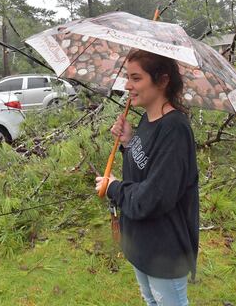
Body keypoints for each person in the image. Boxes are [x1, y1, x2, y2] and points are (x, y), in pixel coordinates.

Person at [95, 49, 199, 306]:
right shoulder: (147, 120)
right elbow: (143, 171)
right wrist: (129, 142)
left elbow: (155, 197)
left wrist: (114, 188)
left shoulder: (175, 130)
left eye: (136, 78)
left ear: (162, 81)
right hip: (141, 242)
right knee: (151, 301)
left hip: (164, 248)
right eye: (128, 78)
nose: (128, 86)